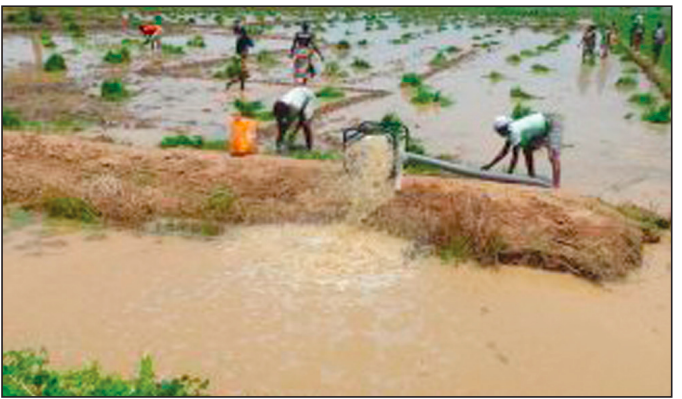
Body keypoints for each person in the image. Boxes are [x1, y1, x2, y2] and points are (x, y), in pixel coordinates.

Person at [482, 113, 562, 189]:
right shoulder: (510, 130)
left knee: (553, 156)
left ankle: (556, 185)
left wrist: (509, 174)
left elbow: (515, 157)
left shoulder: (514, 132)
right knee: (527, 149)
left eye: (499, 131)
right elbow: (504, 152)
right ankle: (531, 175)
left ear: (504, 128)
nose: (499, 134)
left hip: (552, 123)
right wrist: (489, 166)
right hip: (541, 125)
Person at [273, 87, 318, 152]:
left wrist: (292, 128)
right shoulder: (279, 104)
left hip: (309, 98)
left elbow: (299, 118)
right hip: (296, 97)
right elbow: (281, 124)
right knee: (283, 126)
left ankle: (309, 148)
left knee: (305, 123)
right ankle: (280, 144)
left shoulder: (293, 108)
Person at [231, 26, 254, 91]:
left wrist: (246, 43)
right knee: (241, 68)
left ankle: (243, 79)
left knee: (242, 68)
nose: (237, 34)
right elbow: (251, 45)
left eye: (238, 32)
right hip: (241, 54)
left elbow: (252, 45)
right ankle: (242, 83)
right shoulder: (241, 37)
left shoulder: (245, 37)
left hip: (243, 54)